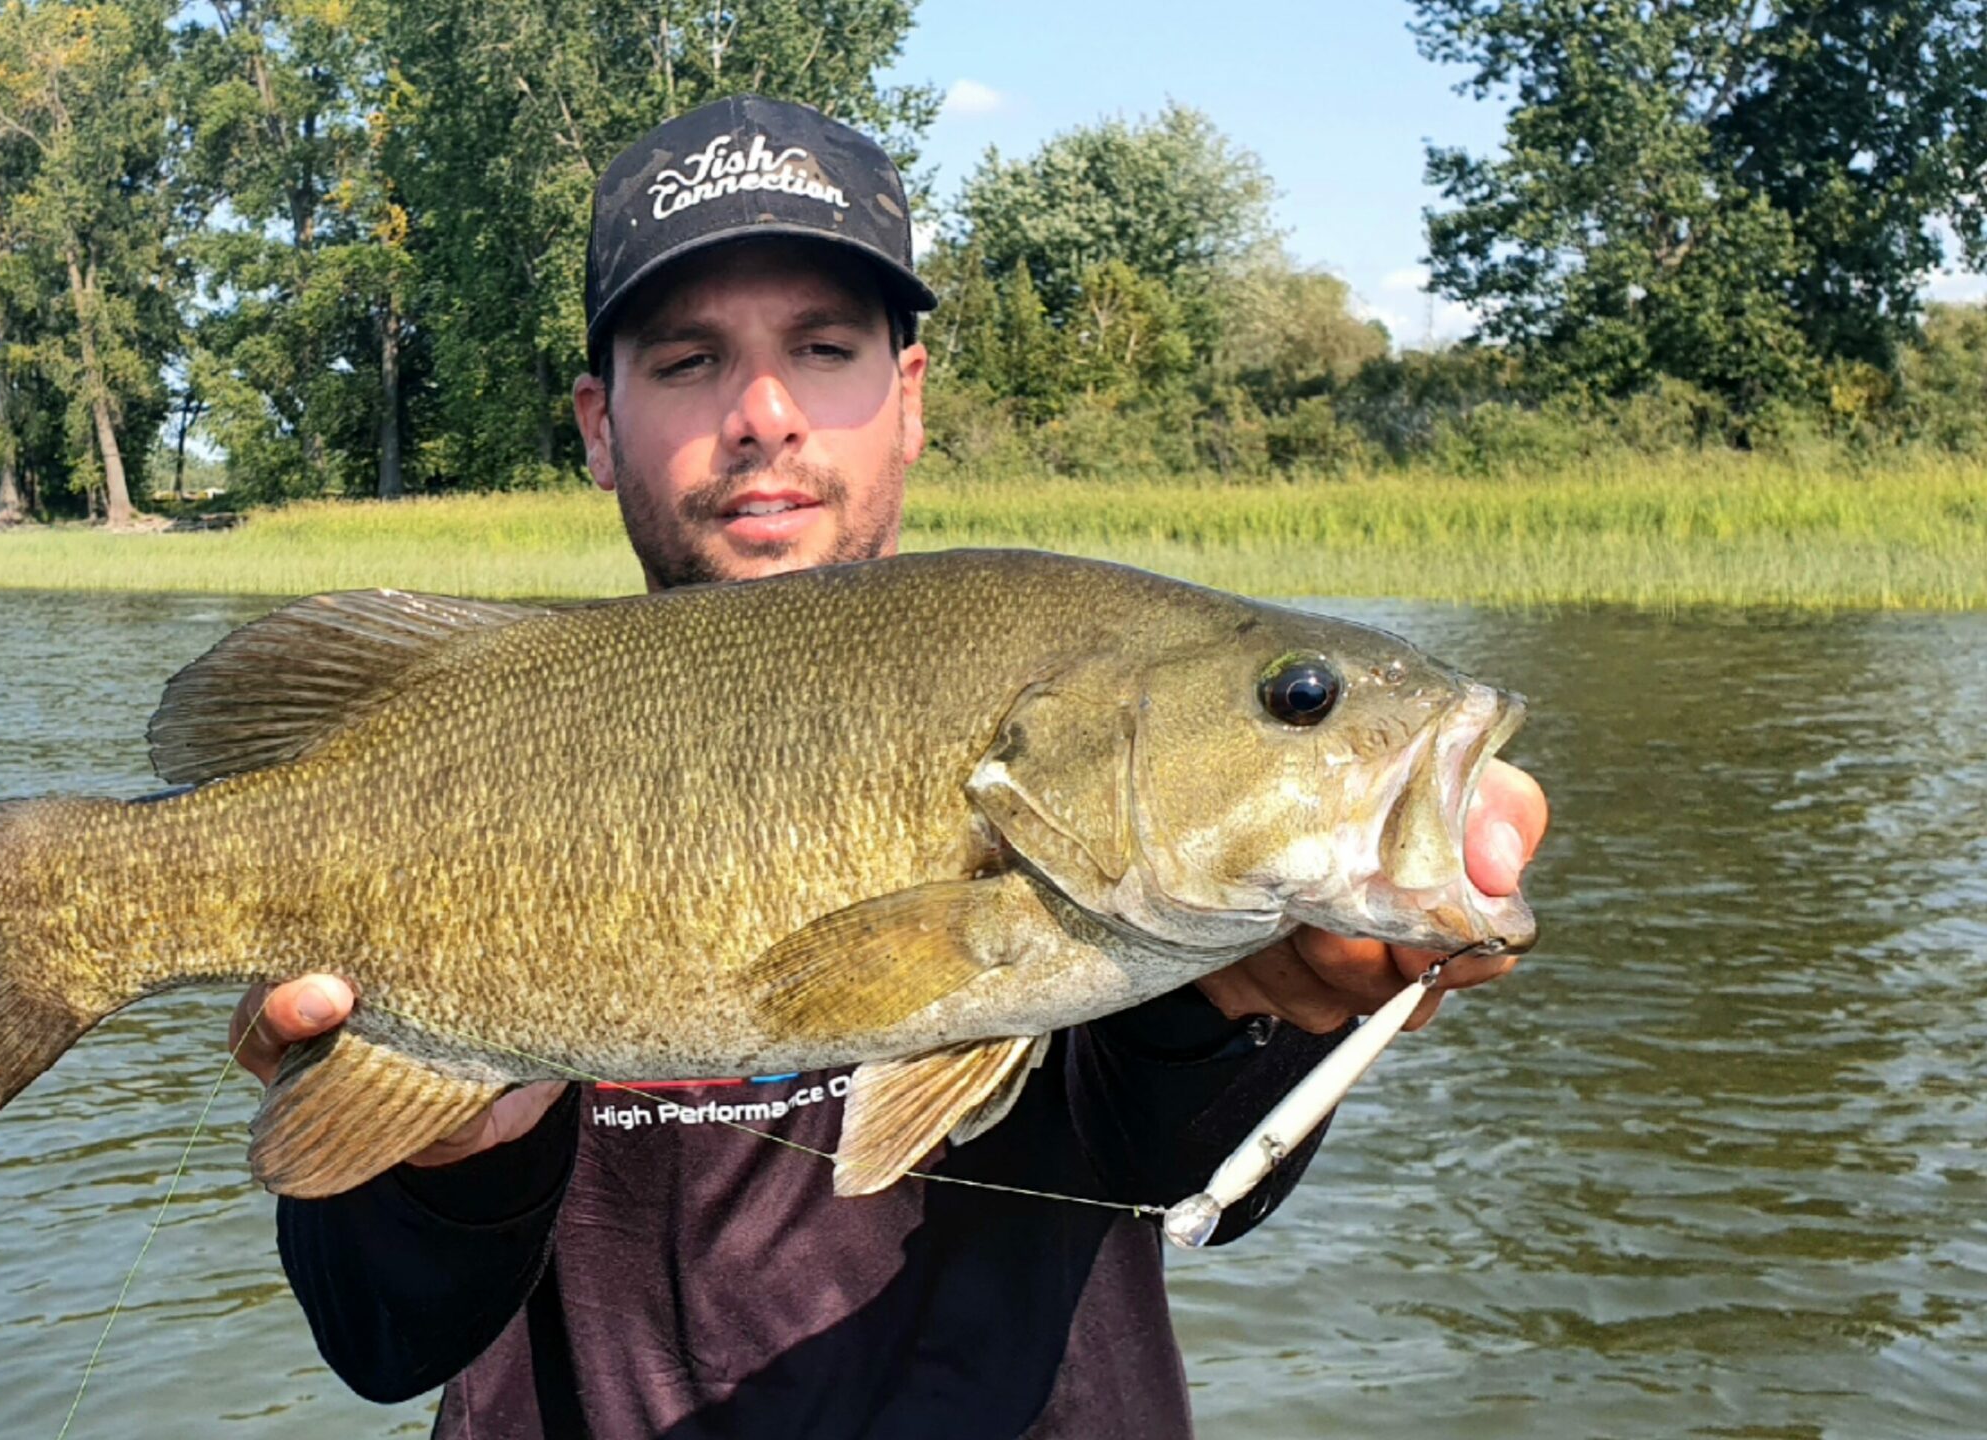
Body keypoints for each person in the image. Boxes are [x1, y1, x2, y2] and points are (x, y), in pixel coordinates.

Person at [230, 96, 1550, 1439]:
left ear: (907, 398)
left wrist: (1257, 1013)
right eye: (687, 359)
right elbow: (387, 1344)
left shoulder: (1079, 762)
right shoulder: (473, 727)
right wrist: (449, 1152)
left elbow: (1181, 1173)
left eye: (824, 348)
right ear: (596, 423)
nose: (761, 413)